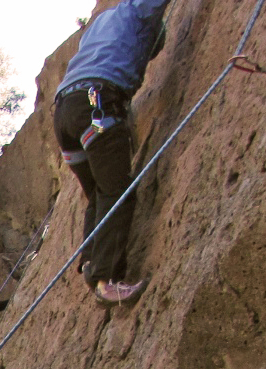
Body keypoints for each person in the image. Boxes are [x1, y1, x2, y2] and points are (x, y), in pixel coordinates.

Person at [53, 0, 172, 305]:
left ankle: (93, 261)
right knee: (117, 189)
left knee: (97, 192)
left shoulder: (101, 22)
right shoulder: (138, 11)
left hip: (66, 112)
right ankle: (106, 280)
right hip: (97, 102)